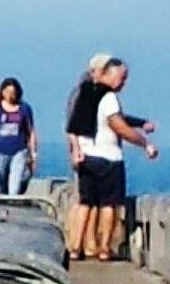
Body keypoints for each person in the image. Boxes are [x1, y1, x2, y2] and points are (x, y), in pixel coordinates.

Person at [66, 54, 158, 261]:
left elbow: (72, 126)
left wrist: (75, 149)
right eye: (122, 77)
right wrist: (145, 143)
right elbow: (118, 125)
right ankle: (105, 248)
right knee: (109, 205)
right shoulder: (109, 98)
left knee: (85, 203)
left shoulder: (85, 94)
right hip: (109, 158)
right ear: (109, 74)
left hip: (86, 156)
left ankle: (75, 247)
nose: (124, 83)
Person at [0, 77, 37, 195]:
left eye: (13, 92)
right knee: (0, 184)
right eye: (7, 92)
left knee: (14, 187)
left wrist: (33, 154)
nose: (10, 95)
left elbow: (31, 131)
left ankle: (12, 202)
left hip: (19, 151)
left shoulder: (24, 109)